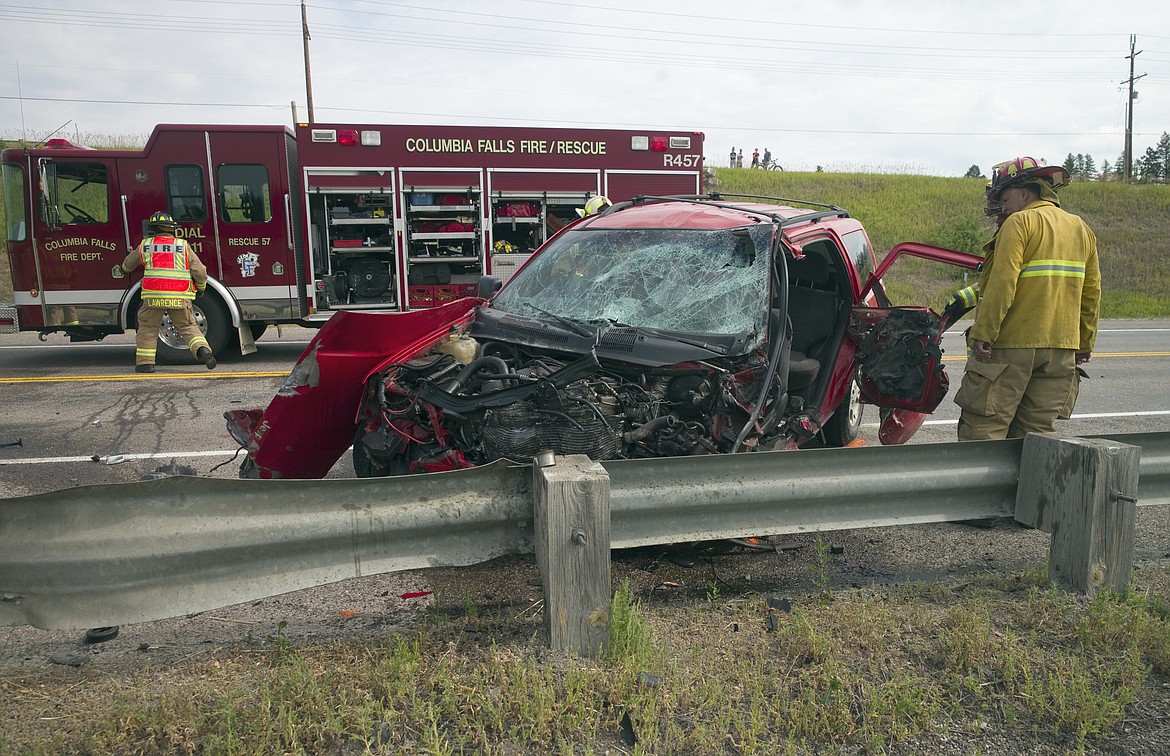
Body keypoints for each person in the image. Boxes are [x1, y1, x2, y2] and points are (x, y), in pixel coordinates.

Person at [953, 156, 1100, 441]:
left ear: (1024, 192)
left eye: (1005, 198)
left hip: (1012, 345)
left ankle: (983, 488)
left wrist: (983, 333)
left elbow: (1002, 283)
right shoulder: (1081, 228)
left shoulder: (1019, 222)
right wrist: (1084, 341)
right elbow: (1091, 292)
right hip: (1061, 351)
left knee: (985, 431)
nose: (1003, 207)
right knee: (1035, 439)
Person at [121, 211, 217, 373]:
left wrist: (123, 269)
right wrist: (200, 288)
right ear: (172, 229)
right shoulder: (183, 246)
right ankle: (202, 350)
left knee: (148, 327)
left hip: (153, 298)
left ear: (152, 229)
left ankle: (145, 364)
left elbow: (127, 265)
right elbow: (200, 271)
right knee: (187, 326)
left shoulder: (145, 245)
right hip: (179, 297)